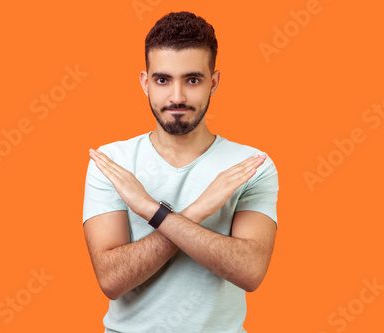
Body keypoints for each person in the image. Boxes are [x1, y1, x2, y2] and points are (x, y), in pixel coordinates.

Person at [82, 11, 279, 333]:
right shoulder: (112, 162)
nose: (177, 97)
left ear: (213, 83)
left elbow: (250, 271)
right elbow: (112, 279)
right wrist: (199, 210)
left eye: (192, 80)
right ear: (145, 83)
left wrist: (150, 209)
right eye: (163, 80)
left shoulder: (250, 165)